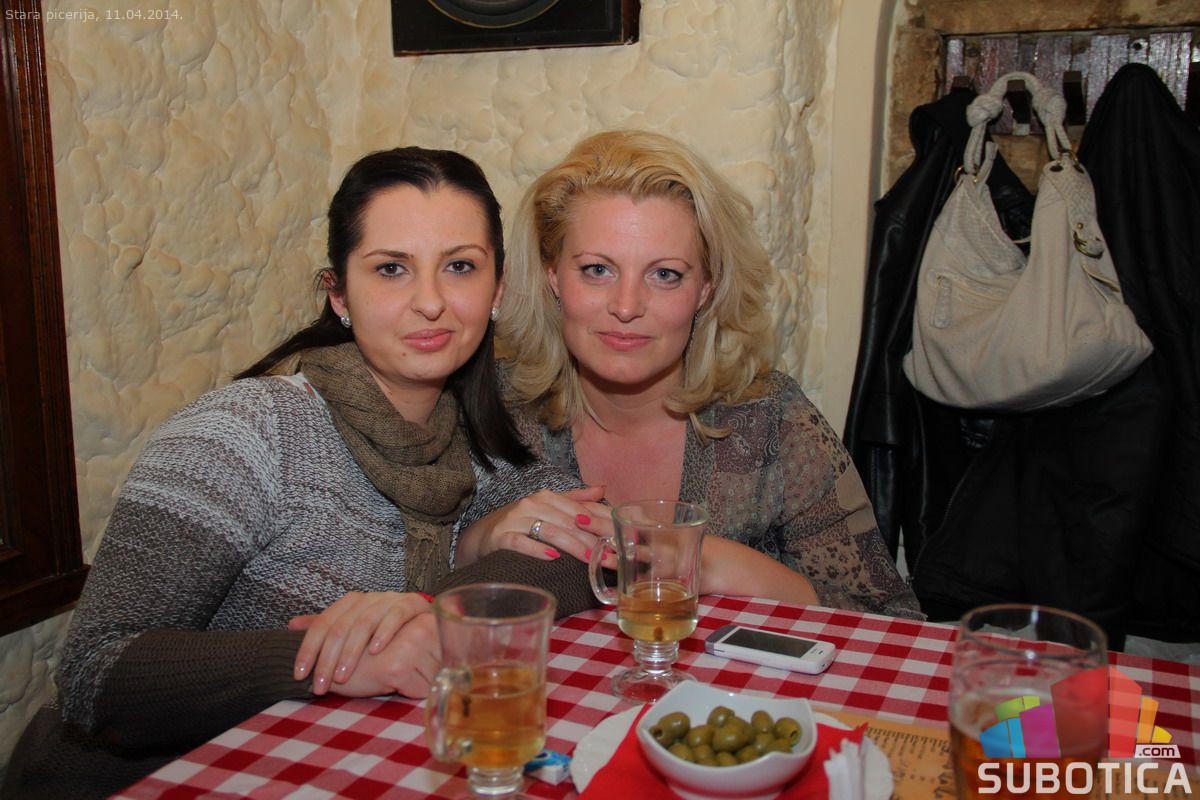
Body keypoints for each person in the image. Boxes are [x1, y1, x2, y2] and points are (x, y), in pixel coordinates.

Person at [1, 147, 594, 800]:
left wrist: (438, 606)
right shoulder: (245, 432)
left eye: (459, 267)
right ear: (339, 293)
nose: (430, 302)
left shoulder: (487, 421)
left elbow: (582, 542)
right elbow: (95, 669)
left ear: (498, 290)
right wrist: (333, 660)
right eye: (391, 269)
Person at [495, 130, 922, 619]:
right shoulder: (497, 409)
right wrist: (477, 541)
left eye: (665, 274)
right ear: (552, 275)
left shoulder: (770, 421)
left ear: (706, 288)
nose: (627, 306)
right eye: (597, 270)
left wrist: (721, 565)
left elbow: (896, 622)